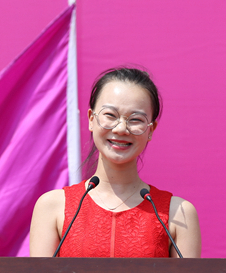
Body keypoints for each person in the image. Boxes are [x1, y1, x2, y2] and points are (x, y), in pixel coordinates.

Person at [30, 67, 201, 258]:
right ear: (91, 119)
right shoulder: (52, 207)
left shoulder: (178, 214)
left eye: (136, 119)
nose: (121, 129)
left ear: (150, 130)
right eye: (110, 115)